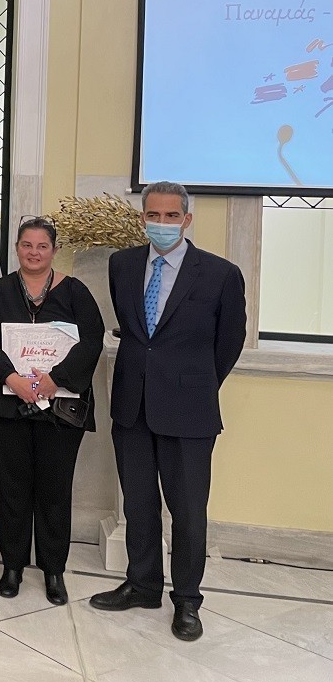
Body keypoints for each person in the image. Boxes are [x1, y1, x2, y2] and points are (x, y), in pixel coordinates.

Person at [90, 181, 246, 642]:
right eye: (153, 215)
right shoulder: (122, 265)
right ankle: (142, 586)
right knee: (138, 505)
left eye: (171, 216)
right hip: (132, 406)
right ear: (143, 218)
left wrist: (194, 385)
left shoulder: (220, 274)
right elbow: (135, 332)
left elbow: (229, 343)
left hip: (189, 411)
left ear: (186, 219)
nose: (161, 223)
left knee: (188, 512)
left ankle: (187, 601)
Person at [0, 216, 104, 605]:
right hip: (8, 406)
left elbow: (92, 341)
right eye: (27, 245)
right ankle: (12, 566)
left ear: (54, 250)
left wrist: (55, 379)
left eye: (42, 246)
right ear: (16, 248)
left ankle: (53, 570)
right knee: (12, 488)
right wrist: (11, 378)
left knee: (54, 490)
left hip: (60, 409)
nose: (34, 252)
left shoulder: (76, 292)